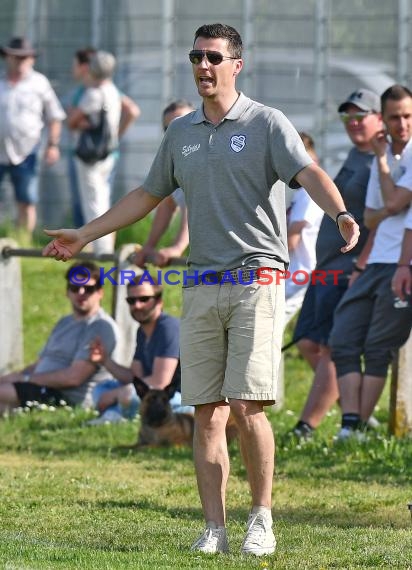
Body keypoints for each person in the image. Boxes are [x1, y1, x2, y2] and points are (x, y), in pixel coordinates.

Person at [42, 23, 359, 556]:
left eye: (214, 57)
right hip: (201, 283)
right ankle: (214, 527)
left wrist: (342, 214)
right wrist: (84, 234)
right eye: (196, 57)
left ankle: (261, 518)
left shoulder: (265, 123)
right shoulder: (181, 132)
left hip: (257, 279)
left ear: (238, 64)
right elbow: (146, 195)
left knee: (246, 405)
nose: (203, 66)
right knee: (206, 408)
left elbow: (309, 173)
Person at [289, 89, 382, 440]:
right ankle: (355, 410)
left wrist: (362, 264)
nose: (354, 123)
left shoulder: (381, 162)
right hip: (325, 267)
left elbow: (384, 219)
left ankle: (306, 426)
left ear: (380, 117)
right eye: (347, 117)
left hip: (350, 269)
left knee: (331, 345)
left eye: (361, 115)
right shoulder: (357, 156)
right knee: (307, 343)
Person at [329, 84, 412, 440]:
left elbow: (392, 205)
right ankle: (351, 423)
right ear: (384, 117)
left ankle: (358, 427)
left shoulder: (400, 155)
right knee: (343, 338)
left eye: (408, 116)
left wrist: (382, 169)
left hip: (400, 265)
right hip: (375, 261)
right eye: (395, 117)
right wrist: (361, 264)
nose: (402, 124)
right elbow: (373, 217)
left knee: (378, 348)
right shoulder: (385, 153)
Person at [0, 262, 118, 414]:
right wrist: (17, 376)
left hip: (66, 398)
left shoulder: (100, 326)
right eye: (75, 288)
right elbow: (40, 364)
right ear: (67, 292)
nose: (81, 293)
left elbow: (73, 378)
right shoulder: (64, 323)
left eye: (88, 289)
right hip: (40, 387)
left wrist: (26, 379)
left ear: (100, 293)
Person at [87, 274, 193, 425]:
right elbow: (136, 379)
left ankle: (116, 414)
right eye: (131, 300)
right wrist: (105, 360)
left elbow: (160, 382)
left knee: (128, 394)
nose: (137, 305)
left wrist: (117, 394)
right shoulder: (142, 331)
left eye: (144, 299)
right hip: (154, 395)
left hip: (181, 400)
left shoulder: (168, 328)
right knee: (102, 388)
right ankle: (118, 412)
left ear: (159, 301)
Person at [67, 50, 139, 253]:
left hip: (91, 157)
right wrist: (116, 135)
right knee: (102, 200)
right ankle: (103, 247)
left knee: (93, 203)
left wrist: (76, 119)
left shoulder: (93, 94)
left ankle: (101, 251)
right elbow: (133, 110)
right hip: (108, 153)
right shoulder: (113, 90)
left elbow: (71, 123)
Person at [0, 36, 66, 239]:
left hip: (27, 151)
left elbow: (55, 116)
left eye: (25, 57)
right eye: (16, 57)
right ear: (7, 57)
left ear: (32, 59)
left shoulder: (39, 83)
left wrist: (53, 145)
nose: (20, 61)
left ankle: (22, 242)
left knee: (26, 200)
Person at [134, 100, 194, 268]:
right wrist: (149, 246)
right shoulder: (177, 159)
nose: (177, 131)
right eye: (169, 128)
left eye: (184, 123)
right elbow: (167, 203)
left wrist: (178, 247)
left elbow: (197, 203)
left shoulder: (206, 153)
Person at [284, 132, 323, 326]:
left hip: (299, 277)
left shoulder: (310, 193)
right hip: (293, 276)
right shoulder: (302, 192)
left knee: (268, 331)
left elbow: (292, 239)